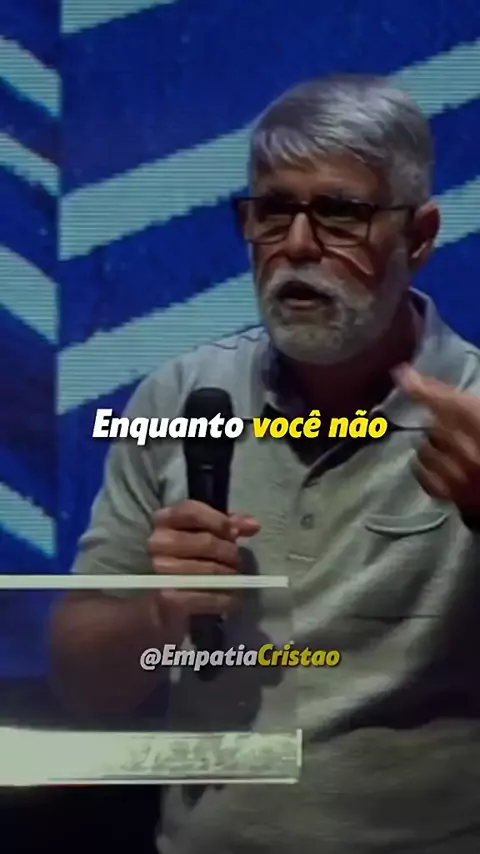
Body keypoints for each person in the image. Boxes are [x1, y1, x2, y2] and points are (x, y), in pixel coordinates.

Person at [49, 75, 480, 853]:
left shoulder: (474, 411)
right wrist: (158, 615)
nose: (298, 246)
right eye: (273, 211)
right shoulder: (175, 397)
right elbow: (83, 685)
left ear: (418, 237)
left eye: (341, 214)